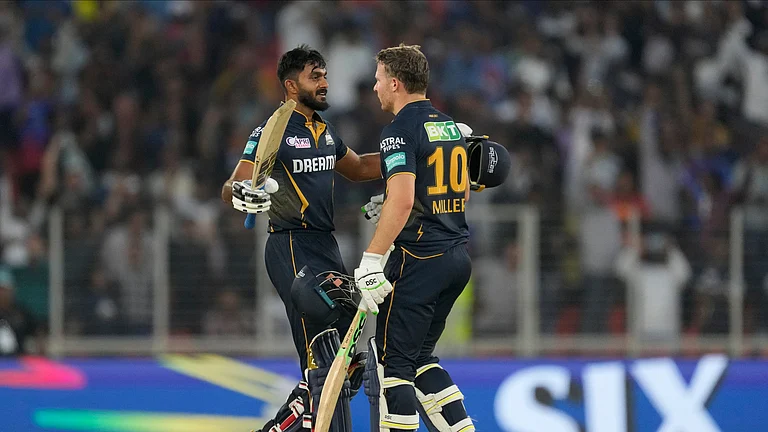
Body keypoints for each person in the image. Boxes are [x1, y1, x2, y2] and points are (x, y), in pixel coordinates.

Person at [220, 45, 382, 432]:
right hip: (290, 245)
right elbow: (233, 183)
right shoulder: (272, 129)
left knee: (345, 366)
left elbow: (358, 168)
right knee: (325, 361)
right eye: (315, 76)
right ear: (291, 85)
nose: (324, 82)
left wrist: (408, 157)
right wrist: (241, 192)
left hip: (327, 245)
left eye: (325, 74)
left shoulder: (324, 130)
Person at [355, 44, 509, 432]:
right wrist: (393, 200)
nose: (375, 88)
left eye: (378, 80)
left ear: (394, 82)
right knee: (422, 358)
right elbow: (462, 190)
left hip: (419, 261)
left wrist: (372, 258)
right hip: (456, 256)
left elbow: (404, 200)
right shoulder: (451, 126)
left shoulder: (399, 130)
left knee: (395, 369)